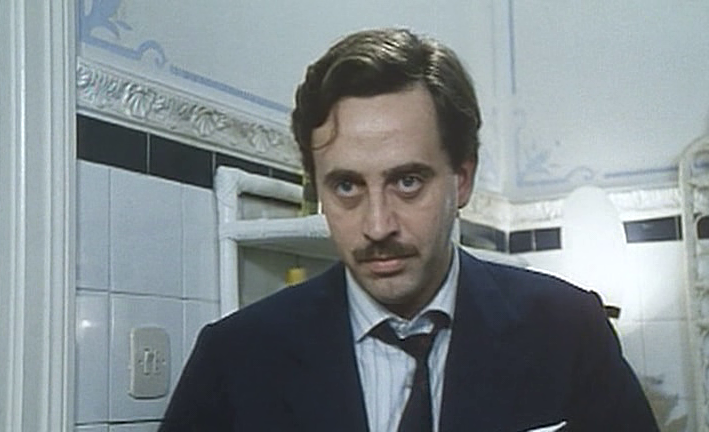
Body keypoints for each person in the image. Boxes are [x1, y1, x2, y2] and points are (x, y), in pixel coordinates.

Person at [159, 28, 659, 432]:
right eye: (347, 186)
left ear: (462, 179)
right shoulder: (236, 356)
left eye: (408, 181)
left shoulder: (568, 331)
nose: (377, 226)